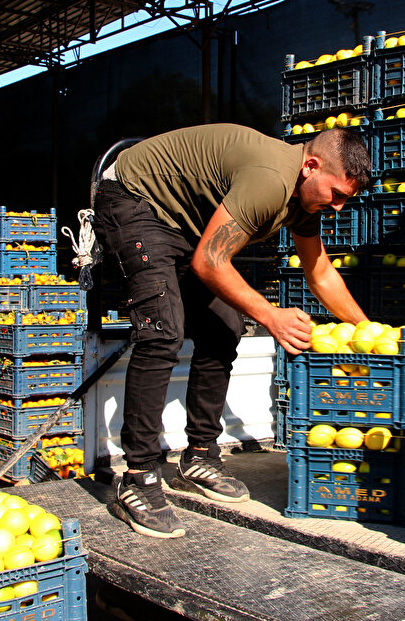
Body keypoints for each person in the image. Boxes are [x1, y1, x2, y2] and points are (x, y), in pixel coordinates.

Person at [91, 122, 372, 538]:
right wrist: (271, 315)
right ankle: (138, 476)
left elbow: (320, 273)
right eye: (337, 195)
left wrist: (369, 334)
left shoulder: (303, 200)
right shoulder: (271, 179)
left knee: (224, 327)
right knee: (162, 331)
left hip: (180, 222)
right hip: (133, 199)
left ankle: (200, 453)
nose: (338, 208)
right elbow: (209, 262)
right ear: (311, 166)